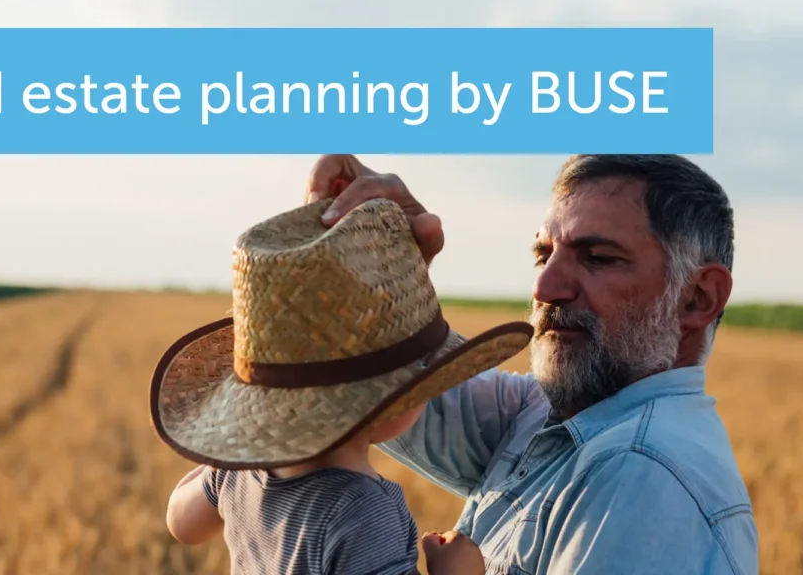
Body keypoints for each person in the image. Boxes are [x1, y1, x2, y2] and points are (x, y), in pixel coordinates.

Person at [301, 154, 759, 575]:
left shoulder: (641, 474)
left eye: (598, 258)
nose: (545, 287)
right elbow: (395, 390)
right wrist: (387, 262)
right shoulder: (551, 414)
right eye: (543, 255)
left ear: (698, 298)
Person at [151, 197, 538, 574]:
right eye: (427, 378)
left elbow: (181, 523)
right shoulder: (365, 513)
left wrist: (228, 457)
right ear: (395, 400)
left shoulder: (239, 472)